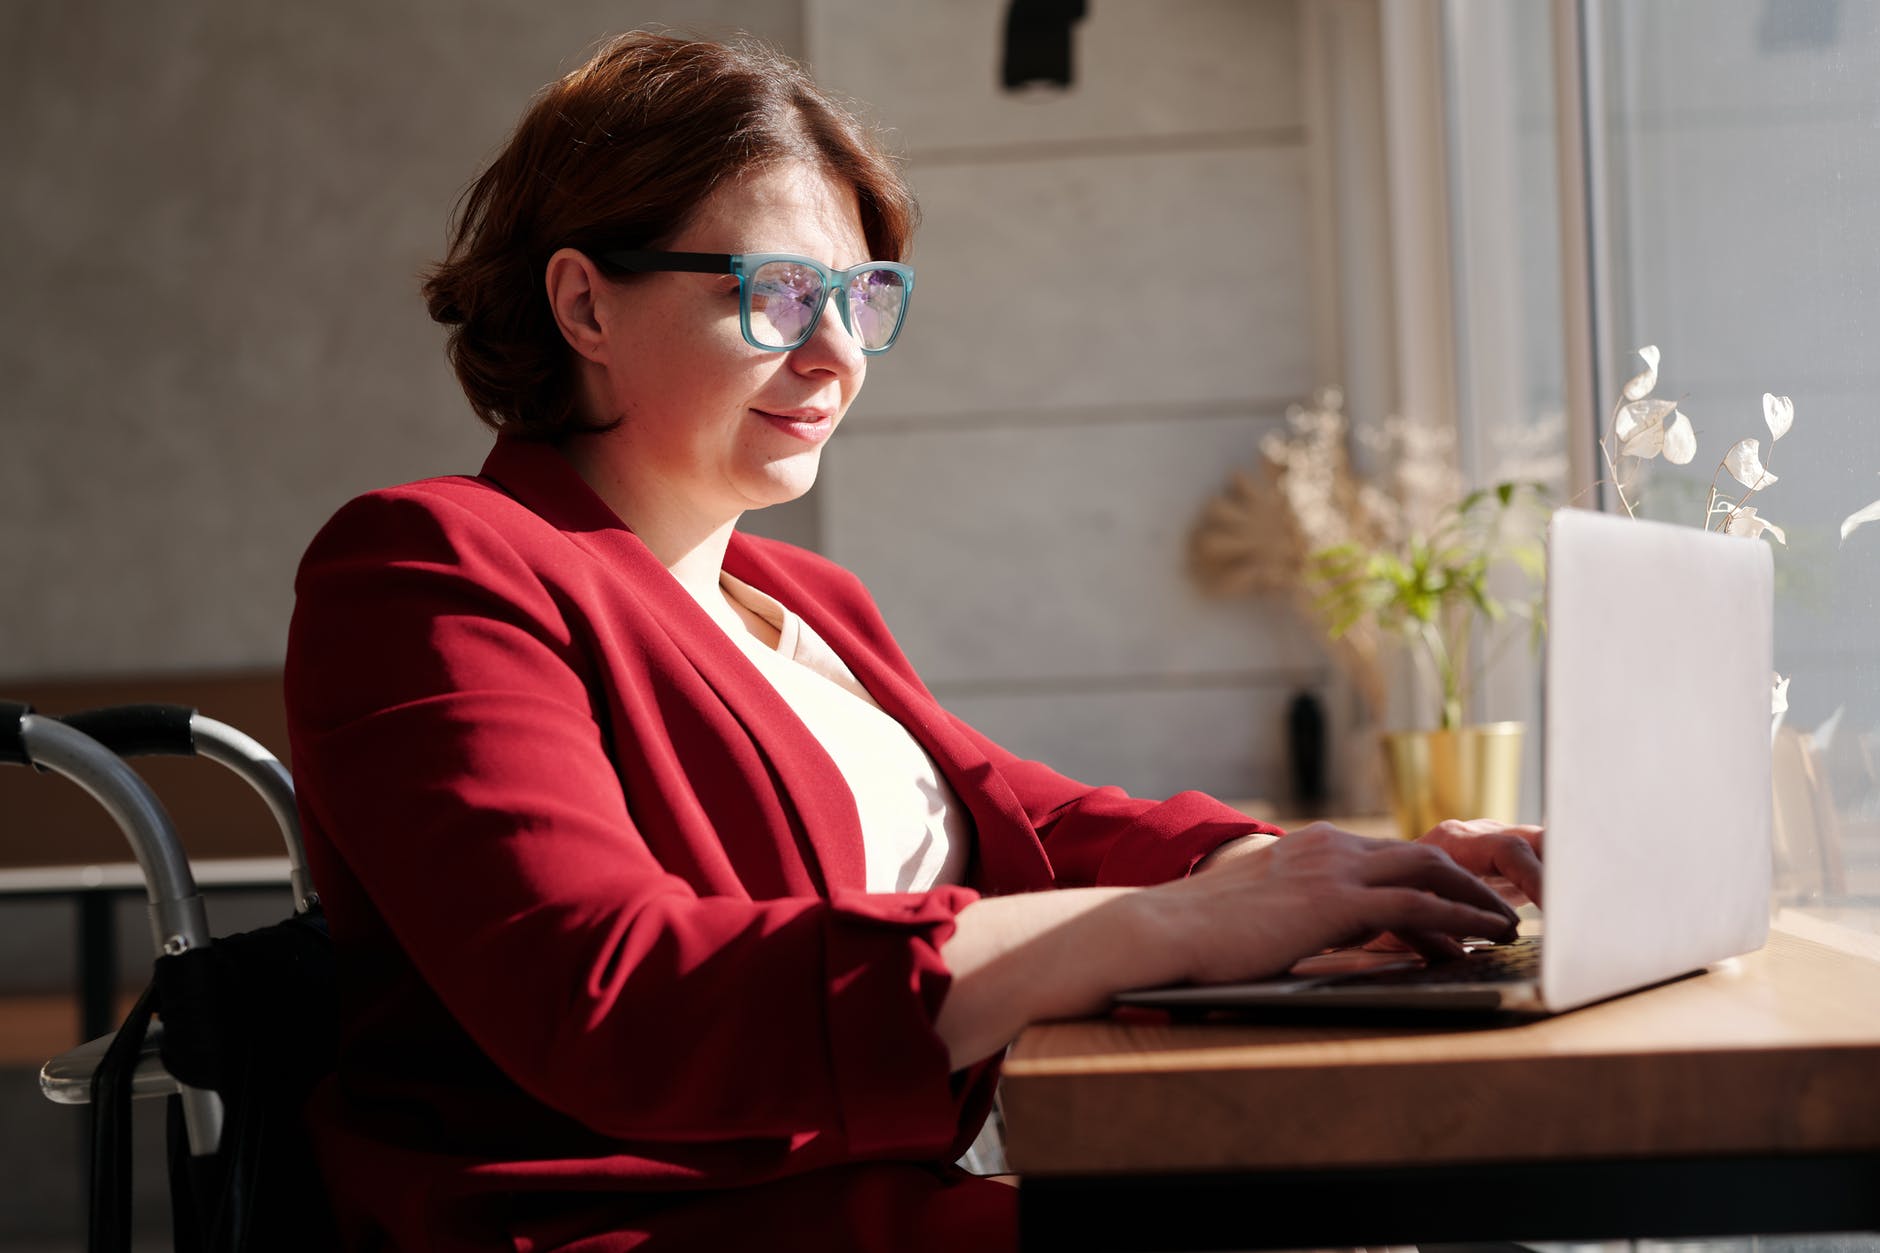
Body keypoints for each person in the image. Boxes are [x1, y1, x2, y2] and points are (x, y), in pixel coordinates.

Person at [283, 31, 1543, 1253]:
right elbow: (613, 995)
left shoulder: (803, 598)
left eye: (859, 296)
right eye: (774, 295)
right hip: (640, 1226)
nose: (833, 353)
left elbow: (1033, 826)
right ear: (582, 301)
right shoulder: (428, 564)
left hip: (858, 1202)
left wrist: (1323, 874)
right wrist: (1171, 925)